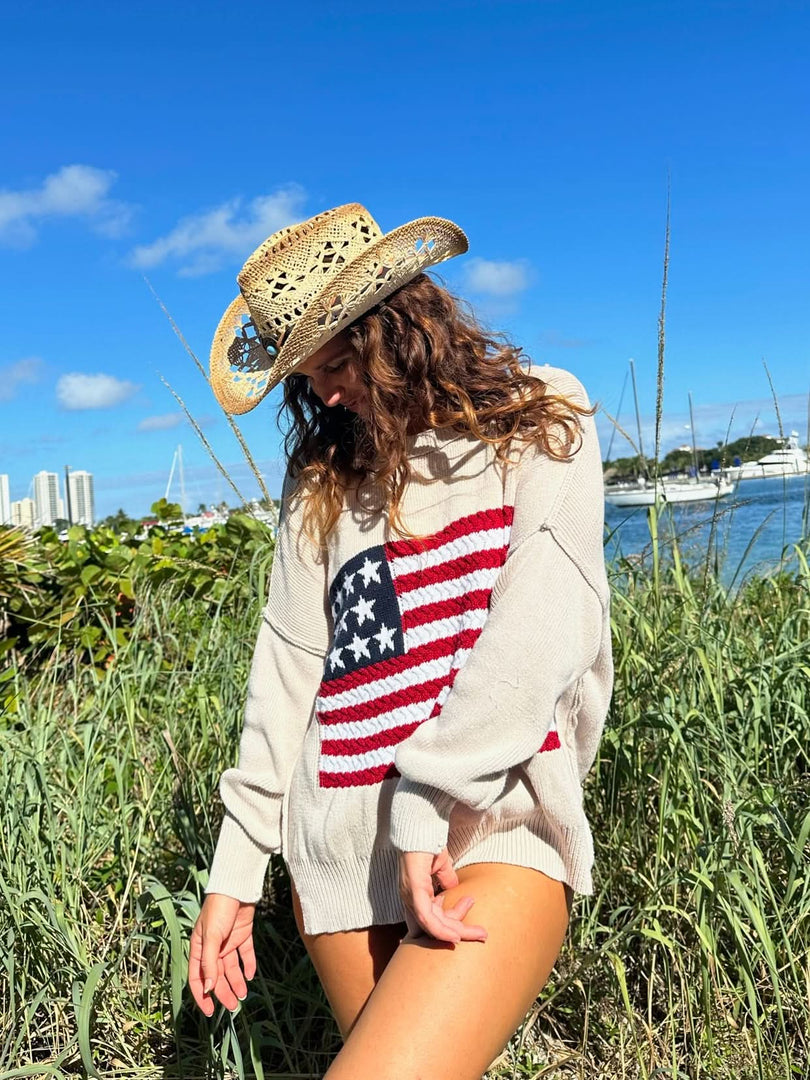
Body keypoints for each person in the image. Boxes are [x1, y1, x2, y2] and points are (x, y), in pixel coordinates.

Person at [187, 203, 613, 1079]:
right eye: (305, 378)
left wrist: (428, 802)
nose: (326, 392)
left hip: (493, 823)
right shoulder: (321, 485)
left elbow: (545, 627)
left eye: (337, 361)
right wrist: (235, 871)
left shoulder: (540, 419)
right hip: (341, 851)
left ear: (401, 324)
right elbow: (291, 673)